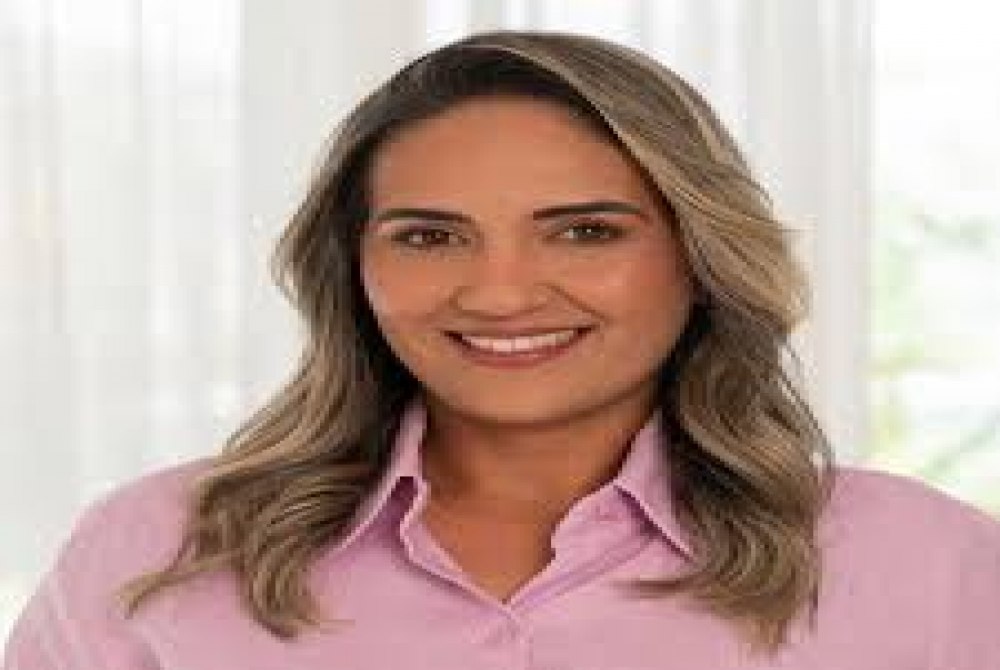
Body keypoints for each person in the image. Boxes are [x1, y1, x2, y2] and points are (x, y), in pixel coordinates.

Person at [4, 29, 999, 670]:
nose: (501, 291)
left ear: (699, 256)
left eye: (585, 231)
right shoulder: (157, 551)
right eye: (430, 236)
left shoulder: (930, 565)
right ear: (354, 265)